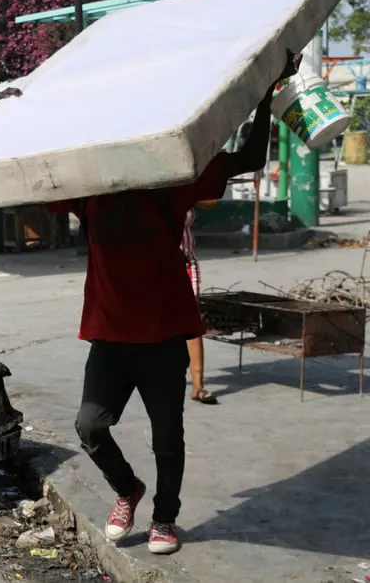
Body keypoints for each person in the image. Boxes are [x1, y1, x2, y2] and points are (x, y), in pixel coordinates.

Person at [49, 51, 299, 556]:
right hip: (109, 337)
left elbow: (248, 160)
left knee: (168, 438)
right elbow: (36, 178)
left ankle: (165, 519)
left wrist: (267, 97)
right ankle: (127, 491)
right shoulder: (87, 189)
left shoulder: (170, 183)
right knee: (90, 427)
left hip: (162, 336)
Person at [184, 202, 218, 405]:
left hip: (185, 261)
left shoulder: (185, 188)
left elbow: (211, 200)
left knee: (193, 322)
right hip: (157, 263)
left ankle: (198, 386)